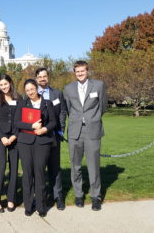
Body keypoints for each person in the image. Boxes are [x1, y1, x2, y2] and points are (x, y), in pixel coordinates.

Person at [63, 60, 107, 211]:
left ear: (87, 71)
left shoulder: (99, 85)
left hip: (92, 130)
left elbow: (103, 107)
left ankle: (96, 197)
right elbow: (68, 109)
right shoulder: (68, 89)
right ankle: (78, 195)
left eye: (82, 71)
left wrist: (92, 119)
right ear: (74, 73)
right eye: (77, 71)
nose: (80, 73)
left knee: (93, 166)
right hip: (75, 131)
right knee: (75, 166)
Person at [14, 79, 56, 217]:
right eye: (27, 90)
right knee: (27, 175)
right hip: (25, 143)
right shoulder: (22, 104)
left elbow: (53, 122)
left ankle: (41, 206)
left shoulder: (47, 103)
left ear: (37, 88)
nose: (30, 92)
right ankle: (28, 205)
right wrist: (31, 126)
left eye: (32, 89)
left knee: (40, 174)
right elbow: (17, 123)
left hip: (42, 142)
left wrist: (44, 129)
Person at [35, 67, 67, 210]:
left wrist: (60, 131)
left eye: (45, 76)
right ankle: (41, 197)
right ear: (36, 79)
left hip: (54, 135)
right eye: (40, 77)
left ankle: (58, 197)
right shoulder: (31, 93)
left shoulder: (57, 93)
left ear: (48, 77)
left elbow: (62, 112)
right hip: (38, 138)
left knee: (55, 168)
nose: (42, 79)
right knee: (40, 169)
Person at [0, 74, 21, 213]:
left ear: (10, 83)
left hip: (15, 137)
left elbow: (20, 119)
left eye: (5, 84)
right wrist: (2, 137)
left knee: (14, 169)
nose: (4, 87)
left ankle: (11, 198)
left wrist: (14, 135)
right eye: (1, 85)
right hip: (0, 138)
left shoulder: (18, 98)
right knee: (0, 169)